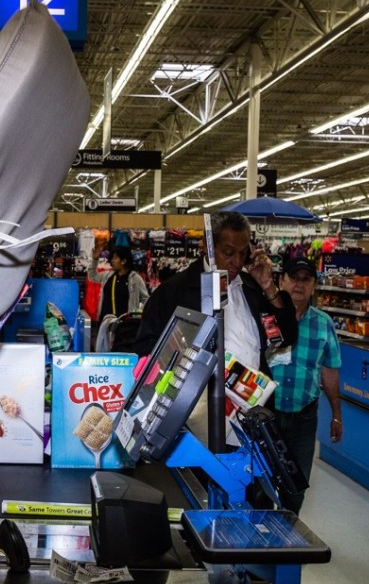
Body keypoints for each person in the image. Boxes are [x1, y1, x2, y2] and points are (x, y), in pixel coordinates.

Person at [134, 211, 298, 445]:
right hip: (197, 423)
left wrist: (268, 285)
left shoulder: (251, 288)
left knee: (250, 480)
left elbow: (285, 337)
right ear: (207, 247)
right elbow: (146, 352)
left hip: (252, 419)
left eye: (243, 254)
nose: (237, 262)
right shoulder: (174, 292)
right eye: (229, 253)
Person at [271, 258, 342, 514]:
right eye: (294, 277)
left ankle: (287, 545)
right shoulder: (266, 318)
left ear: (313, 286)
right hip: (267, 415)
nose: (299, 284)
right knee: (259, 483)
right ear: (282, 281)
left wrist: (336, 415)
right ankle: (255, 546)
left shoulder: (324, 323)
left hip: (304, 418)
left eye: (306, 279)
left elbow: (330, 370)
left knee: (296, 487)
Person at [88, 245, 149, 320]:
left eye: (115, 258)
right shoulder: (108, 275)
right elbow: (92, 276)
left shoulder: (135, 278)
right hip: (105, 322)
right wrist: (95, 259)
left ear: (123, 261)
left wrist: (139, 316)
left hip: (125, 324)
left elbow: (146, 299)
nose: (112, 260)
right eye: (112, 258)